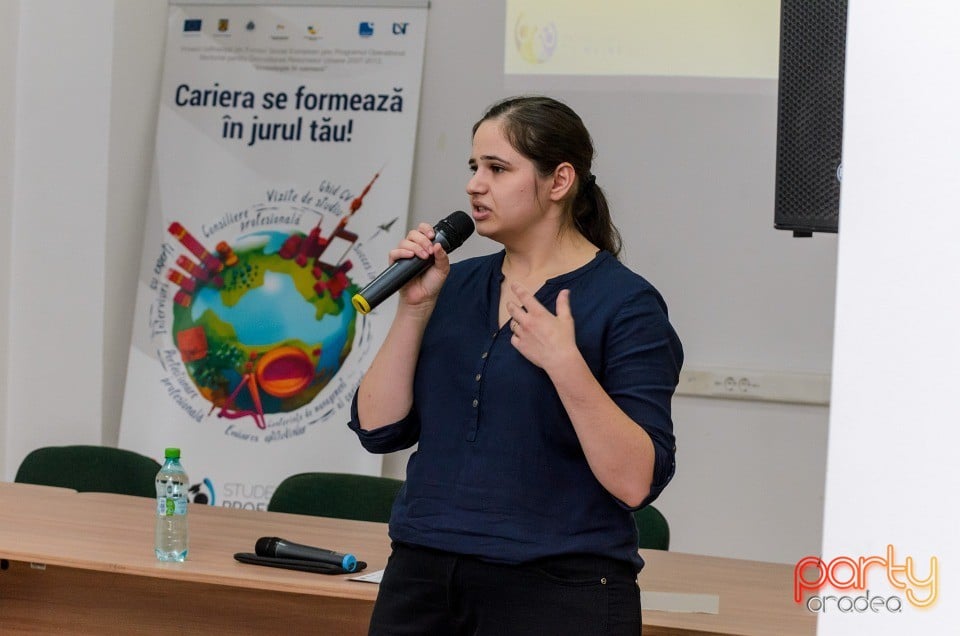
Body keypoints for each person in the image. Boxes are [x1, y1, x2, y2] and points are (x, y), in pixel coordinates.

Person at [348, 95, 683, 636]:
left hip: (557, 590)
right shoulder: (451, 287)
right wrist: (413, 310)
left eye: (497, 169)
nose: (474, 185)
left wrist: (564, 365)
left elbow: (634, 482)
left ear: (559, 181)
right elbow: (378, 428)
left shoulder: (626, 304)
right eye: (473, 167)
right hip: (422, 576)